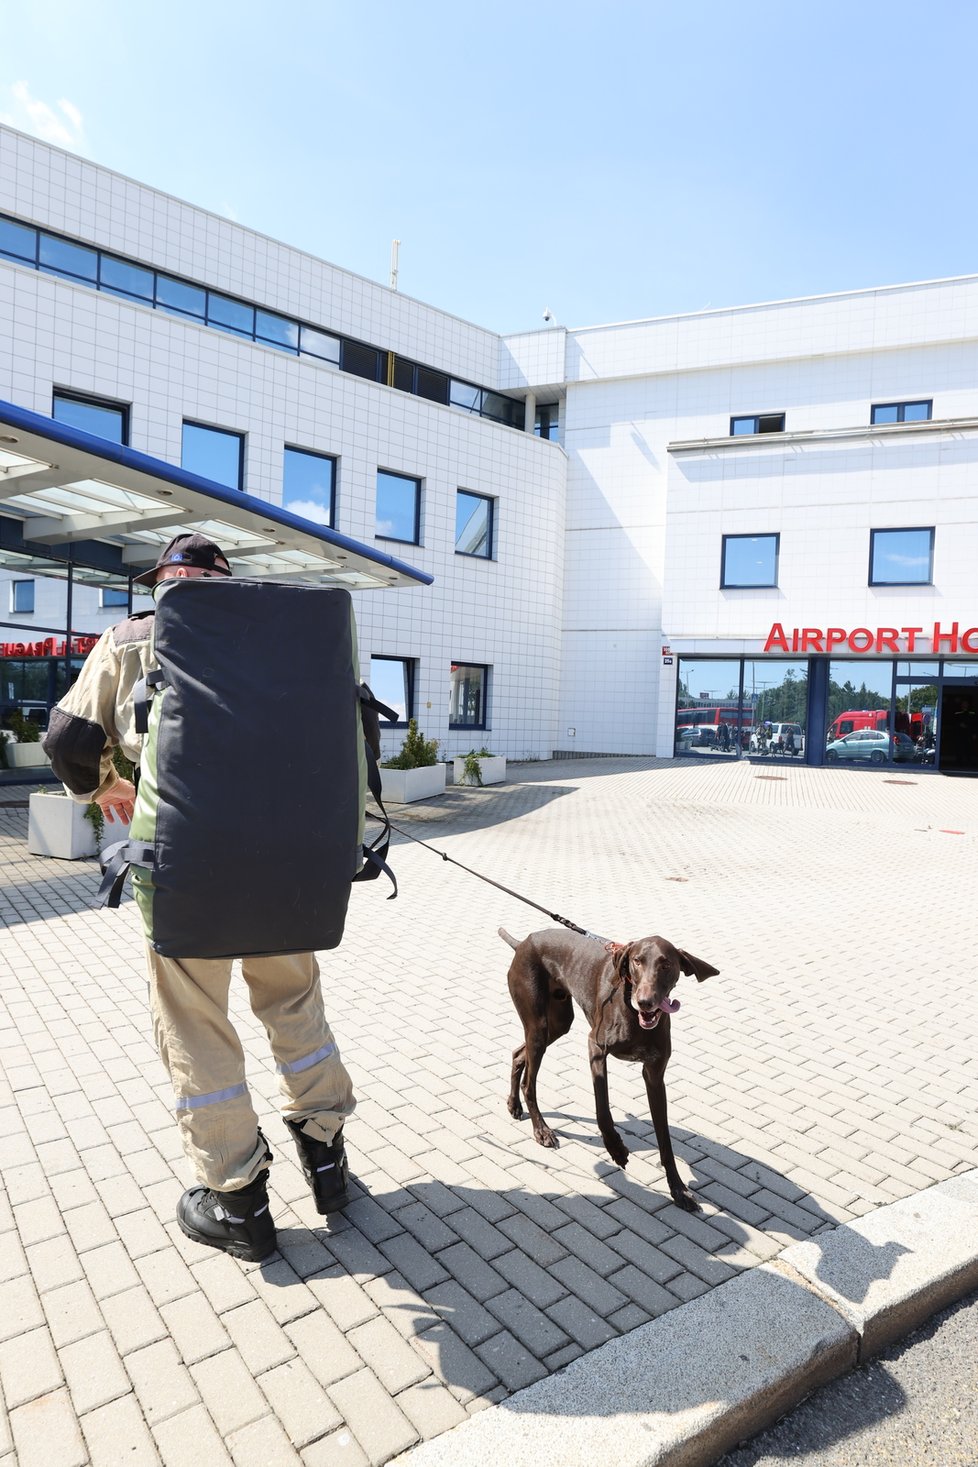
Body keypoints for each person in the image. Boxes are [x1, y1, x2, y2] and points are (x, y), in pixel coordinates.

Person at [43, 533, 356, 1263]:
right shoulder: (281, 641)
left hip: (184, 870)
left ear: (168, 585)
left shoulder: (131, 641)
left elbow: (64, 736)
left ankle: (239, 1200)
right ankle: (328, 1158)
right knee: (295, 1004)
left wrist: (103, 788)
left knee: (194, 1022)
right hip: (286, 867)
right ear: (224, 580)